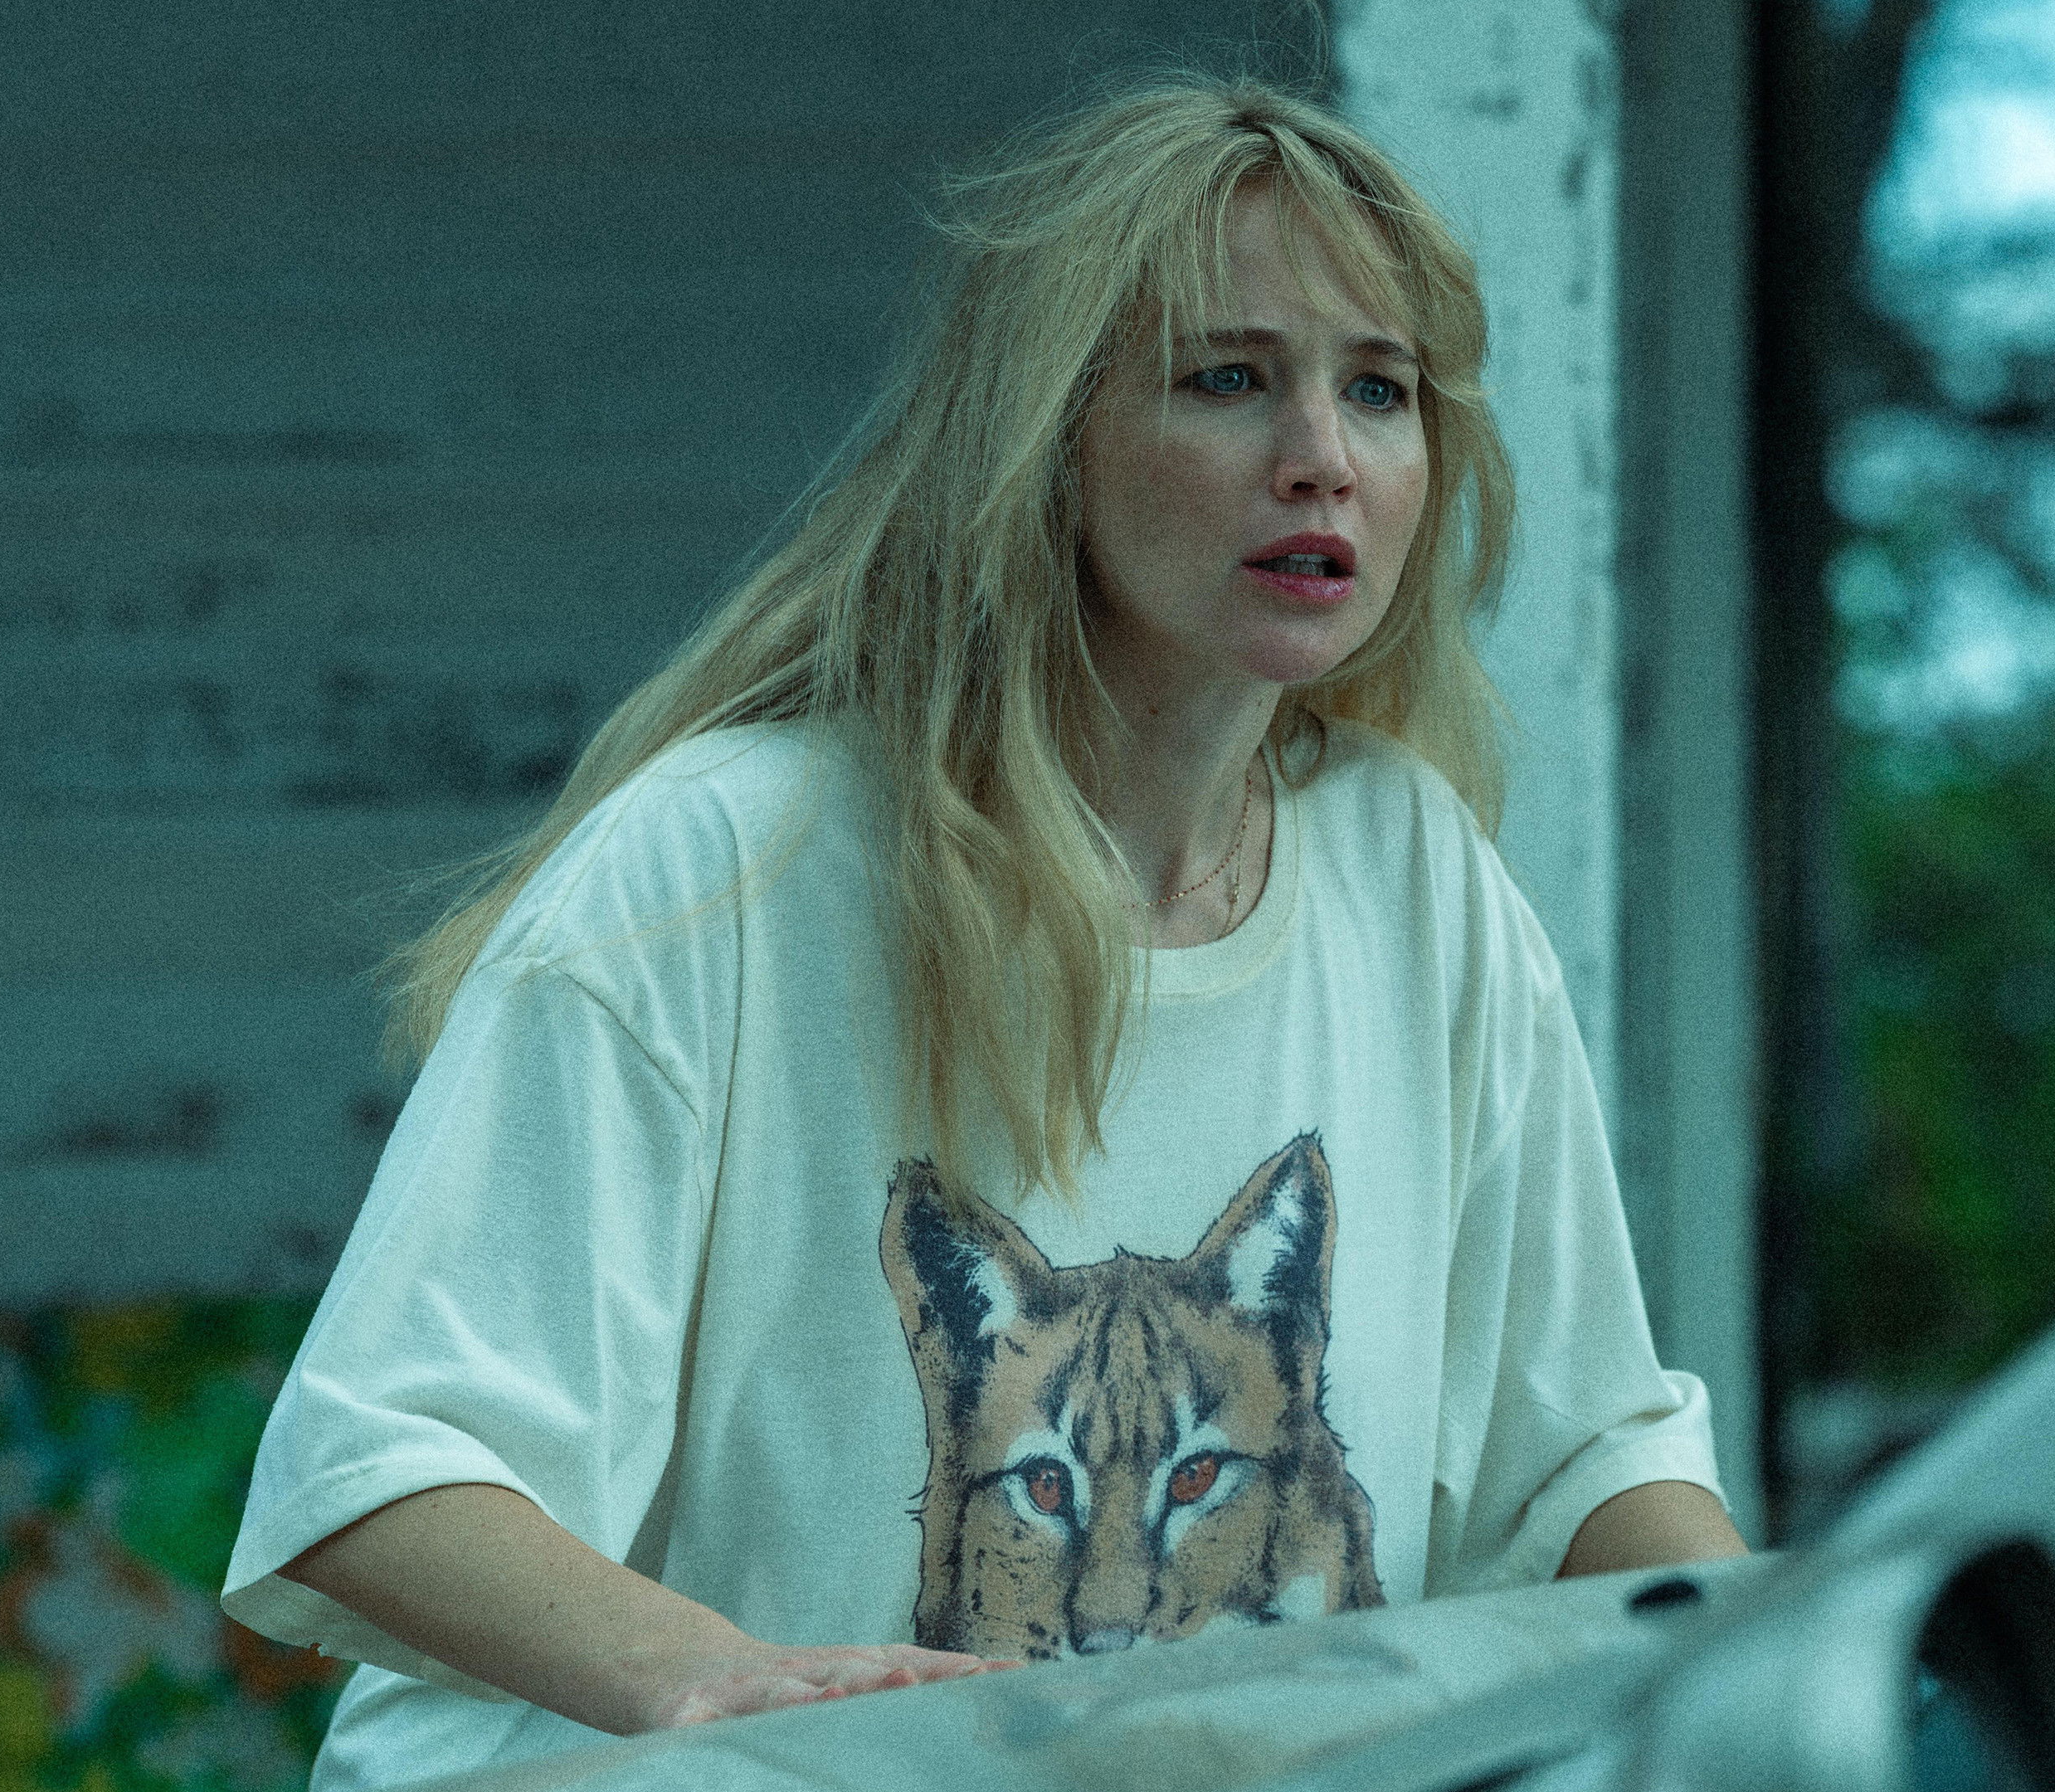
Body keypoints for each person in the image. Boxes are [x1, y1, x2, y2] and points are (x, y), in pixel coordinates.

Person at [221, 71, 1748, 1786]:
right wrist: (723, 1693)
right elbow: (380, 1471)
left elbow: (1586, 1465)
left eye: (1379, 390)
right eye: (1229, 378)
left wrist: (1793, 1675)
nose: (1321, 457)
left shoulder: (1419, 876)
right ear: (1049, 438)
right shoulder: (720, 866)